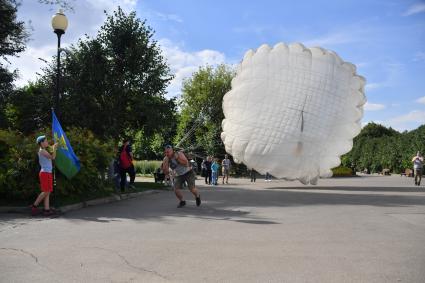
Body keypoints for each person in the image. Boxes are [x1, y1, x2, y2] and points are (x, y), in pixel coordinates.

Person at [31, 135, 58, 216]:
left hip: (47, 172)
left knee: (48, 191)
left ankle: (47, 210)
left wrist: (54, 146)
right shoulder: (42, 151)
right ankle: (34, 206)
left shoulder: (44, 149)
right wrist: (55, 148)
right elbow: (52, 157)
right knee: (46, 191)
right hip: (45, 173)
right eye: (46, 141)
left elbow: (51, 149)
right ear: (41, 143)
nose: (47, 142)